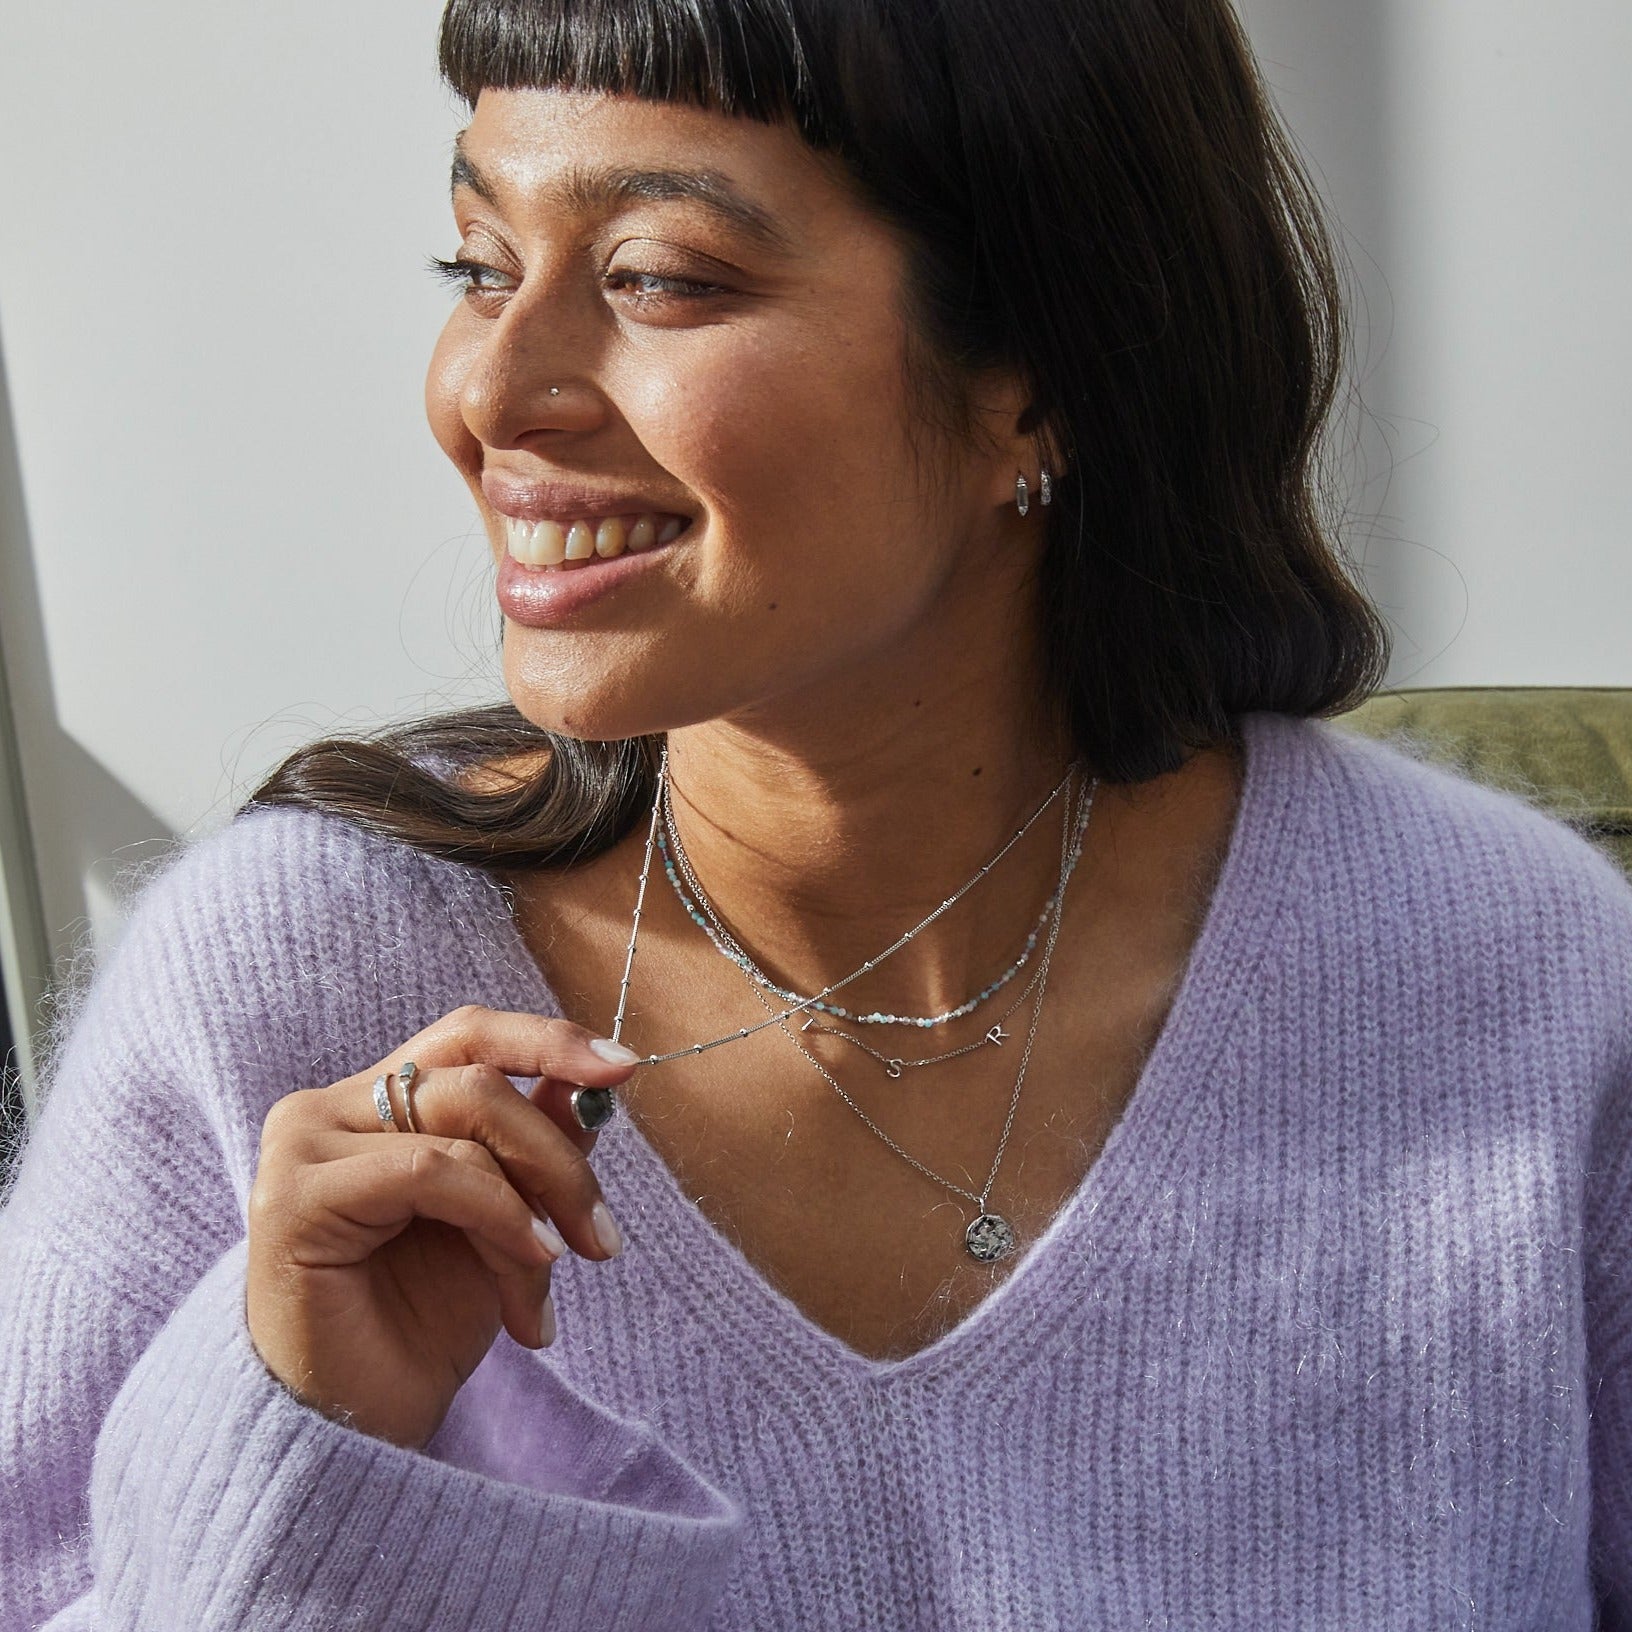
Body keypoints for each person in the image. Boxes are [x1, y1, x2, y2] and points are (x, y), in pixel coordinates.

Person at [3, 0, 1630, 1625]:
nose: (493, 391)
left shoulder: (1523, 980)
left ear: (1044, 380)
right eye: (480, 265)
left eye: (656, 277)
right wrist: (297, 1435)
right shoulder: (277, 988)